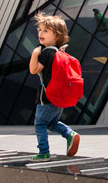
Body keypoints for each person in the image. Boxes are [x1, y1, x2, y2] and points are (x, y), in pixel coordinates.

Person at [27, 12, 80, 162]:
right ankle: (70, 134)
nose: (40, 33)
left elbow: (33, 70)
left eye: (45, 31)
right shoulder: (58, 52)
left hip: (46, 97)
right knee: (51, 123)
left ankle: (44, 152)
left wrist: (35, 54)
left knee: (40, 124)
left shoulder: (47, 52)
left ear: (56, 35)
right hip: (58, 97)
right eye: (39, 30)